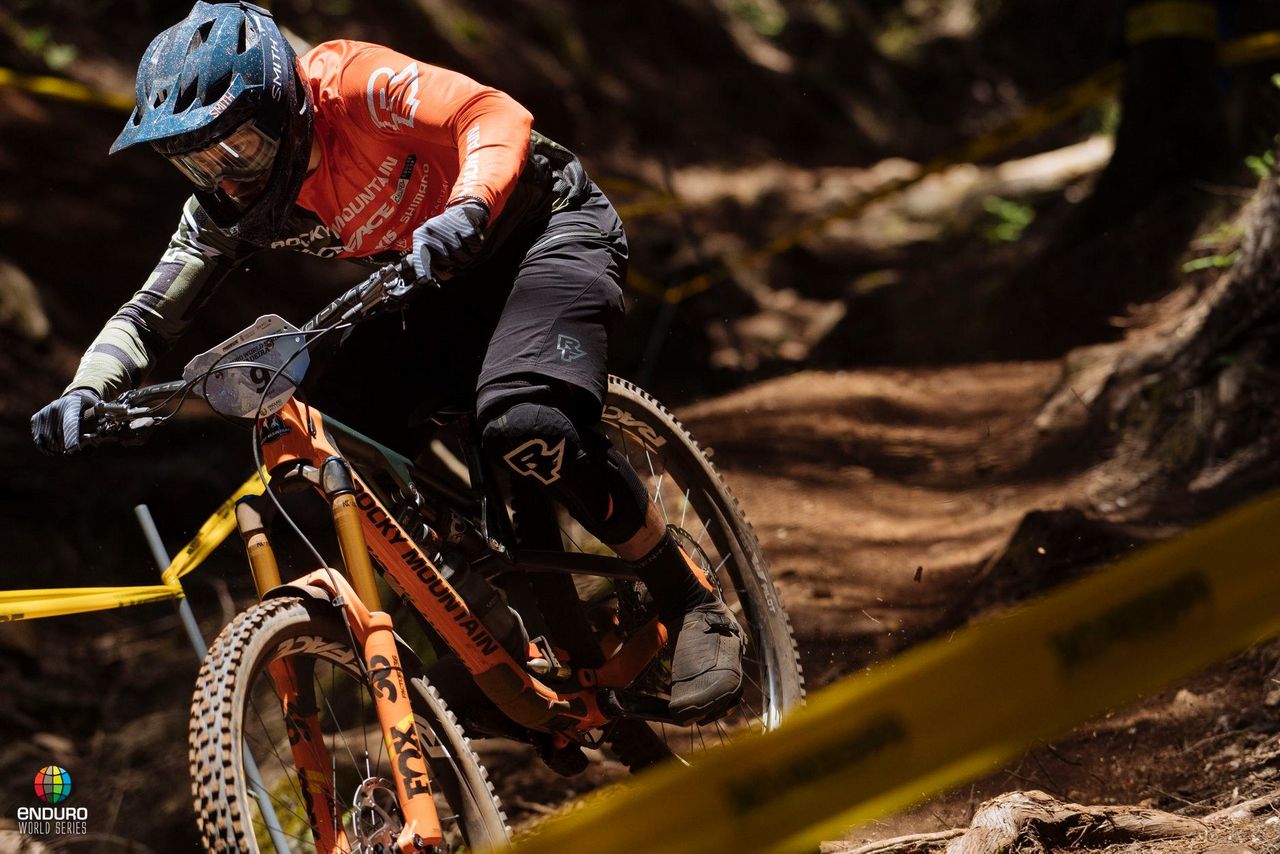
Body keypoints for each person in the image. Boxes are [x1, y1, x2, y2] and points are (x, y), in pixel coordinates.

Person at [29, 1, 742, 725]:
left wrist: (469, 205)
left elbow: (491, 113)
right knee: (328, 437)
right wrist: (86, 390)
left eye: (237, 149)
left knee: (528, 422)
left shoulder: (352, 85)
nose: (227, 179)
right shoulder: (220, 210)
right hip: (435, 281)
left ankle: (690, 599)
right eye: (197, 162)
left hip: (541, 229)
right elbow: (148, 314)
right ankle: (484, 634)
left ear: (281, 107)